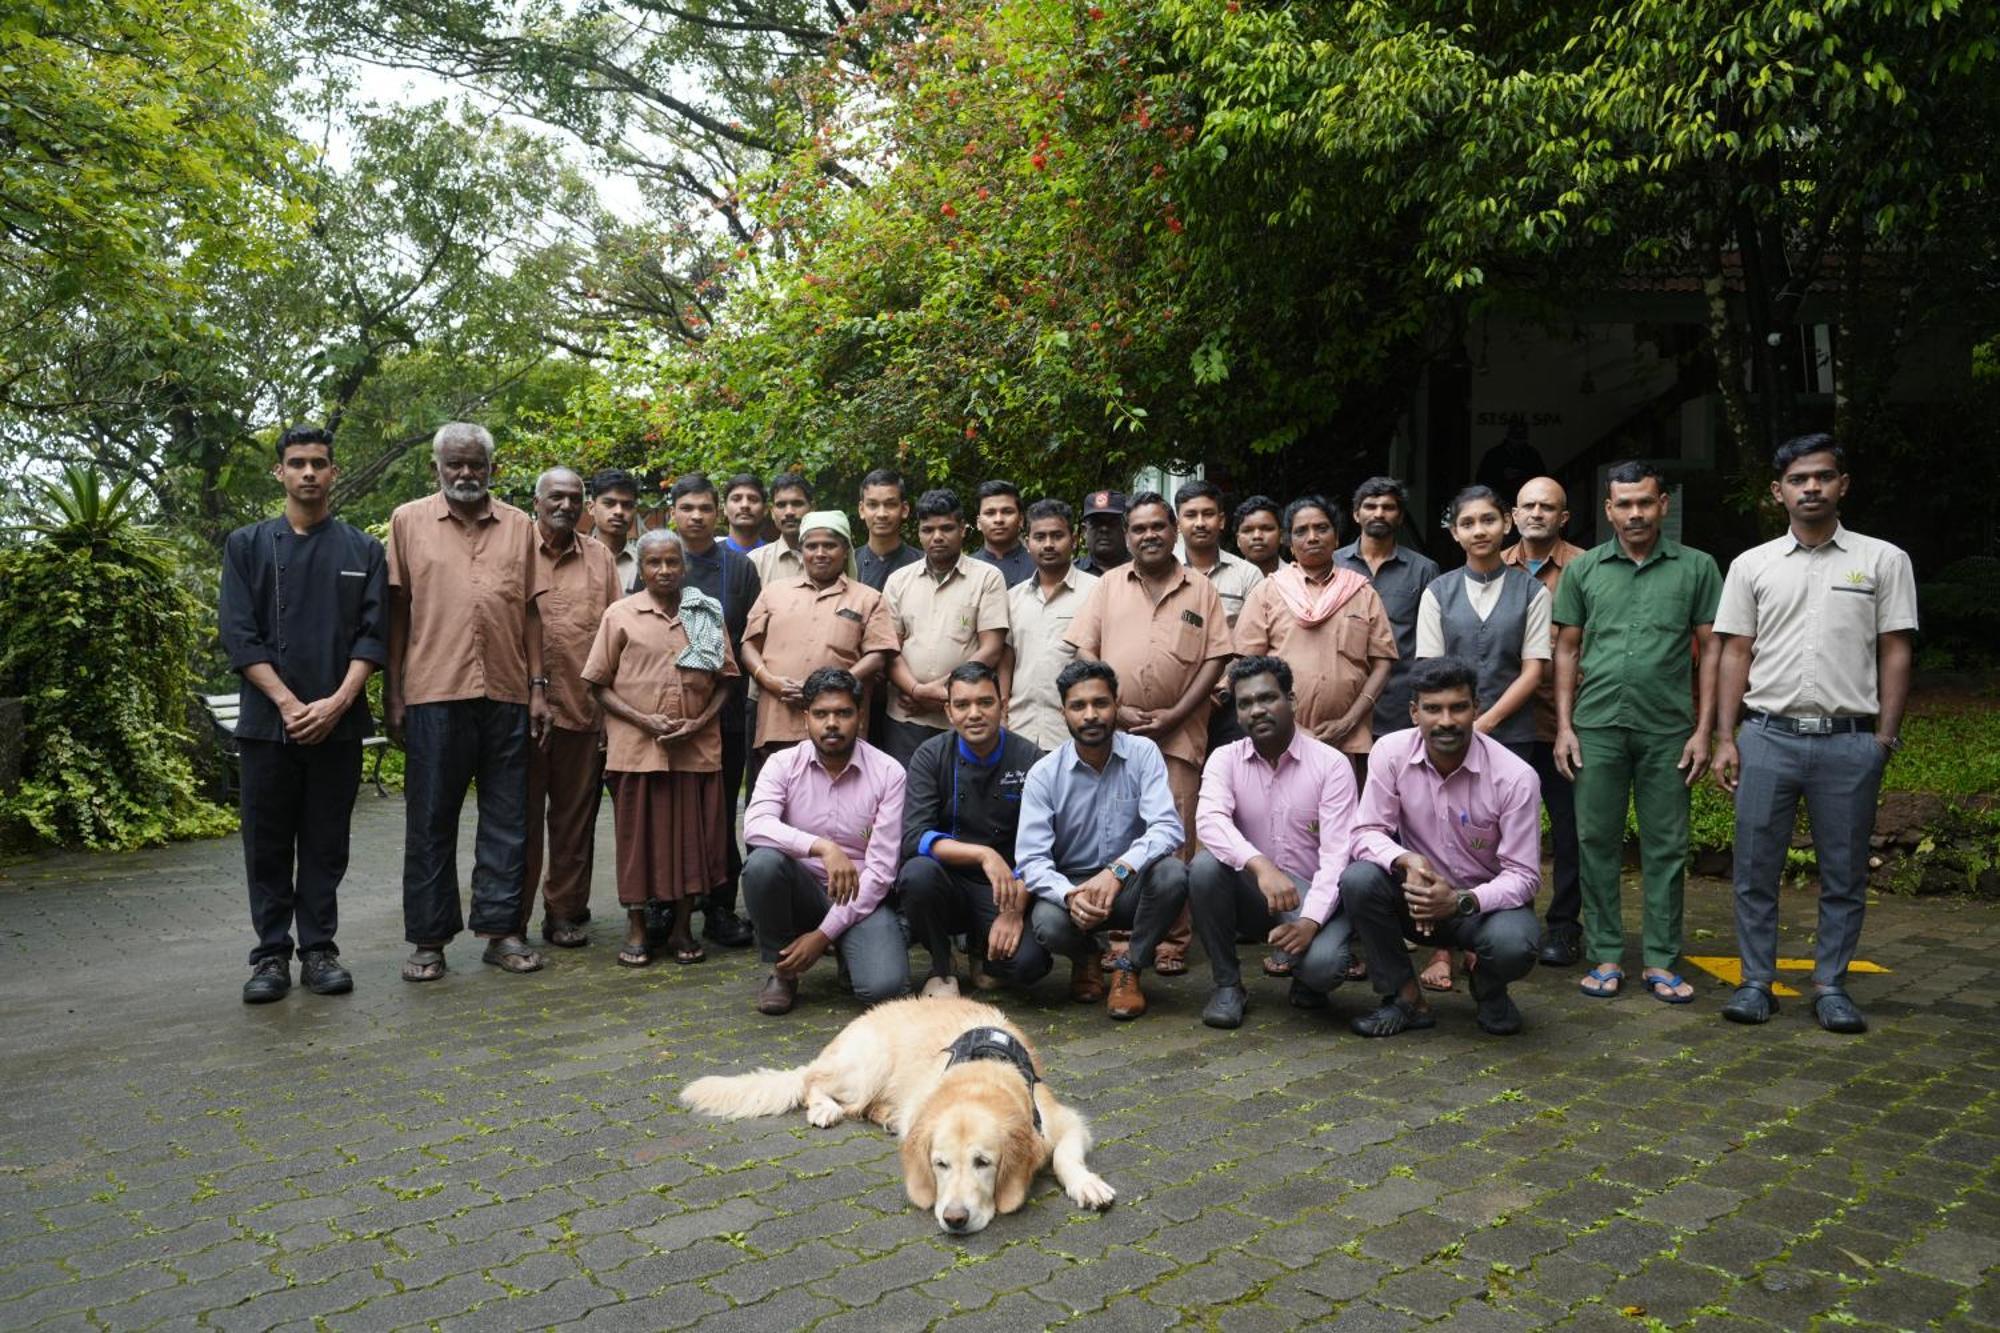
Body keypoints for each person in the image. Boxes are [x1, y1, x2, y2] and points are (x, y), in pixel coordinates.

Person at [1712, 435, 1917, 1034]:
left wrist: (1883, 738)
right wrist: (1727, 737)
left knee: (1844, 871)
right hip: (1766, 736)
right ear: (1779, 492)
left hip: (1849, 741)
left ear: (1842, 485)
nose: (1811, 488)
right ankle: (1754, 983)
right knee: (1754, 867)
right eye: (1798, 480)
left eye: (1823, 477)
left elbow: (1896, 650)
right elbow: (1734, 654)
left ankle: (1831, 984)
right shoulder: (1751, 565)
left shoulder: (1884, 560)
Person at [219, 425, 387, 1003]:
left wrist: (338, 703)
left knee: (325, 843)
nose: (309, 473)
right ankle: (270, 955)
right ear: (281, 473)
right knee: (266, 843)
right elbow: (239, 637)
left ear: (333, 472)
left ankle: (319, 950)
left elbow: (373, 637)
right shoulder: (247, 545)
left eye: (319, 463)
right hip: (269, 726)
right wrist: (290, 704)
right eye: (298, 463)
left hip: (338, 725)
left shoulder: (362, 549)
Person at [385, 422, 549, 982]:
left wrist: (538, 688)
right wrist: (394, 690)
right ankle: (429, 940)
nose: (465, 474)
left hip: (506, 691)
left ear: (491, 467)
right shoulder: (408, 521)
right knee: (430, 821)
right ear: (437, 467)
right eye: (455, 464)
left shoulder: (519, 525)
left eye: (475, 464)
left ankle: (501, 932)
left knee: (507, 819)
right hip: (433, 691)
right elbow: (398, 611)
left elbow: (530, 610)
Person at [1554, 461, 1722, 1005]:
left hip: (1668, 728)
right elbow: (1567, 649)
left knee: (1667, 846)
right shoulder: (1585, 570)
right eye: (1623, 504)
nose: (1635, 514)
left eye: (1644, 503)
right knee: (1594, 840)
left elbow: (1713, 652)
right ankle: (1604, 953)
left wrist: (1707, 732)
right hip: (1596, 725)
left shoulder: (1697, 568)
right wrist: (1563, 726)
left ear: (1663, 505)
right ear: (1608, 511)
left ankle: (1661, 960)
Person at [1064, 490, 1231, 975]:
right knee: (1120, 830)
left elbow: (1217, 657)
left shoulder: (1200, 589)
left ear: (1174, 530)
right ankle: (1122, 933)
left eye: (1157, 526)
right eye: (1138, 529)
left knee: (1176, 834)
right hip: (1116, 736)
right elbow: (1084, 656)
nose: (1148, 535)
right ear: (1127, 535)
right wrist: (1114, 712)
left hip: (1180, 734)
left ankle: (1171, 940)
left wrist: (1179, 712)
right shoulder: (1108, 586)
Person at [1339, 657, 1543, 1037]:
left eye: (1458, 707)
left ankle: (1489, 984)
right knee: (1359, 880)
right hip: (1416, 901)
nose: (1446, 720)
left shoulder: (1515, 778)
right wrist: (1406, 859)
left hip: (1481, 908)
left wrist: (1460, 901)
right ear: (1414, 712)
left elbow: (1525, 877)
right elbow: (1365, 832)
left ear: (1476, 709)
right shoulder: (1391, 754)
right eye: (1433, 709)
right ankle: (1405, 999)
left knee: (1515, 943)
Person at [1411, 484, 1552, 992]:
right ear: (1454, 532)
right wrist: (1458, 722)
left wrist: (1485, 723)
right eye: (1468, 523)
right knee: (1439, 836)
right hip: (1444, 736)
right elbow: (1429, 669)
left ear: (1507, 525)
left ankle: (1486, 940)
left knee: (1495, 843)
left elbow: (1534, 670)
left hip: (1509, 736)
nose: (1479, 531)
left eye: (1489, 520)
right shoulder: (1438, 591)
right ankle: (1442, 948)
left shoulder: (1533, 591)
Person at [584, 529, 739, 967]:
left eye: (673, 562)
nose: (665, 570)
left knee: (694, 842)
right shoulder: (621, 615)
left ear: (684, 565)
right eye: (655, 563)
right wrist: (645, 721)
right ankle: (636, 927)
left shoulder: (705, 613)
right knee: (638, 844)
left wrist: (697, 724)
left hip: (696, 751)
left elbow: (726, 681)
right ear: (643, 567)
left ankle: (682, 928)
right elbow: (598, 684)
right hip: (637, 751)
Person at [1187, 656, 1360, 1028]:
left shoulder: (1331, 764)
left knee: (1324, 968)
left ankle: (1308, 979)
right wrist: (1260, 865)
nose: (1257, 710)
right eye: (1245, 703)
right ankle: (1228, 985)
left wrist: (1310, 922)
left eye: (1268, 698)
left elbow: (1337, 857)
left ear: (1291, 700)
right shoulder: (1225, 759)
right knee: (1203, 867)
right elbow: (1210, 820)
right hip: (1258, 890)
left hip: (1316, 894)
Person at [1015, 660, 1189, 1019]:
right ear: (1064, 712)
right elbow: (1031, 861)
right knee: (1047, 922)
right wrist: (1068, 894)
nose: (1091, 715)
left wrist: (1119, 870)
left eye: (1101, 703)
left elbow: (1168, 828)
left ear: (1117, 704)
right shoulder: (1043, 775)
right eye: (1079, 706)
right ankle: (1087, 957)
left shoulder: (1142, 754)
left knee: (1173, 875)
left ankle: (1130, 966)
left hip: (1129, 884)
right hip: (1075, 891)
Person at [741, 668, 910, 1014]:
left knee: (885, 989)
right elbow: (755, 825)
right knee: (762, 866)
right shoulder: (782, 764)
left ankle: (845, 949)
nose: (831, 723)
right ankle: (782, 970)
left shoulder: (889, 773)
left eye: (843, 713)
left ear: (860, 717)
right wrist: (822, 847)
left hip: (860, 897)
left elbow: (879, 873)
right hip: (800, 889)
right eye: (821, 714)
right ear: (806, 718)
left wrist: (822, 938)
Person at [518, 468, 625, 951]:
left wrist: (611, 712)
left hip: (583, 711)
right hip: (520, 711)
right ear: (536, 501)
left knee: (573, 823)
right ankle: (508, 922)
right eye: (555, 496)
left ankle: (562, 914)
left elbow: (617, 636)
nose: (565, 505)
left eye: (574, 498)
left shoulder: (600, 558)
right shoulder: (514, 550)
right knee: (517, 822)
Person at [897, 663, 1048, 997]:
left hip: (1006, 886)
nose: (974, 714)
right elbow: (914, 837)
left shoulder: (1031, 759)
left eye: (985, 702)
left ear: (1003, 704)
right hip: (947, 881)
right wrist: (983, 854)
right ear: (949, 712)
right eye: (962, 705)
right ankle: (941, 965)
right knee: (916, 874)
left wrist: (1015, 910)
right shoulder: (931, 756)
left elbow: (1045, 844)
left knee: (1028, 966)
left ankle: (983, 949)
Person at [1234, 495, 1397, 769]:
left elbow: (1382, 664)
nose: (1312, 537)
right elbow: (1247, 666)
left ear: (1336, 538)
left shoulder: (1361, 592)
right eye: (1301, 531)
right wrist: (1294, 727)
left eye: (1322, 529)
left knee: (1342, 810)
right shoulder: (1268, 591)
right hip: (1279, 737)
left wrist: (1348, 722)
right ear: (1289, 541)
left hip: (1347, 737)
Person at [668, 473, 762, 948]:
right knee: (672, 809)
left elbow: (748, 639)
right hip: (667, 709)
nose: (697, 516)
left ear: (717, 512)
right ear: (674, 512)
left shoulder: (739, 568)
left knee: (722, 808)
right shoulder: (661, 560)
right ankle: (668, 903)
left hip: (725, 708)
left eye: (706, 507)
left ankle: (720, 908)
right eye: (688, 507)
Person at [1501, 476, 1589, 966]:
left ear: (1564, 516)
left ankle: (1563, 926)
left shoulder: (1587, 567)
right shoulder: (1490, 562)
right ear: (1514, 515)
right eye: (1528, 506)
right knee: (1503, 829)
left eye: (1547, 506)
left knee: (1571, 830)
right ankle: (1505, 917)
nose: (1536, 513)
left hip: (1563, 722)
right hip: (1504, 722)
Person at [740, 510, 899, 755]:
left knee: (840, 790)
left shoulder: (868, 598)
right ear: (802, 552)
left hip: (840, 727)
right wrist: (770, 681)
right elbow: (749, 646)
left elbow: (877, 656)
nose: (820, 553)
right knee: (779, 790)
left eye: (830, 546)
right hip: (778, 719)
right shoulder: (773, 592)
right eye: (812, 546)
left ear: (845, 549)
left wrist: (829, 688)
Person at [882, 488, 1010, 763]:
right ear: (918, 532)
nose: (937, 537)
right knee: (910, 797)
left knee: (959, 798)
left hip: (963, 718)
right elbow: (890, 649)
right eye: (928, 529)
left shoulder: (987, 578)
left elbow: (991, 649)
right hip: (906, 716)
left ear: (963, 529)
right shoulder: (898, 581)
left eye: (946, 528)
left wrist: (941, 692)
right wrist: (916, 690)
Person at [1336, 477, 1439, 742]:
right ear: (1356, 514)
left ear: (1401, 516)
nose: (1379, 513)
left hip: (1399, 701)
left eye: (1388, 507)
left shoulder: (1424, 569)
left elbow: (1430, 641)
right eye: (1370, 506)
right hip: (1342, 697)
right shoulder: (1333, 563)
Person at [1002, 499, 1100, 753]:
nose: (1048, 544)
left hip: (1075, 732)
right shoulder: (1012, 598)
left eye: (1057, 536)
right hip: (1020, 729)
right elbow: (1007, 659)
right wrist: (1002, 714)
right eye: (1040, 537)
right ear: (1027, 542)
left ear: (1074, 538)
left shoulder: (1098, 592)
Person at [1175, 480, 1264, 628]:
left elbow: (1253, 636)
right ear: (1178, 524)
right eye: (1191, 515)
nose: (1200, 523)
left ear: (1221, 521)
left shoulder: (1248, 575)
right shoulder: (1162, 571)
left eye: (1208, 514)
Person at [855, 467, 921, 591]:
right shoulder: (848, 565)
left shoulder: (923, 565)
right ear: (862, 510)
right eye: (873, 505)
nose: (881, 514)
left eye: (890, 504)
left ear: (904, 509)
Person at [749, 471, 812, 589]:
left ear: (812, 508)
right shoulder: (755, 562)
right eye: (781, 505)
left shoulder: (831, 558)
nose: (789, 512)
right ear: (772, 512)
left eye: (797, 503)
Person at [587, 468, 644, 593]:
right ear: (591, 507)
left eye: (627, 505)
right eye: (609, 503)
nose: (619, 511)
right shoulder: (574, 560)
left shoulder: (644, 563)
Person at [973, 479, 1035, 586]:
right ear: (978, 523)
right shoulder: (965, 569)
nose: (999, 519)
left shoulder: (1040, 567)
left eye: (1007, 512)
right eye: (990, 513)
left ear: (1021, 520)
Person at [1073, 490, 1130, 575]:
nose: (1104, 529)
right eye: (1096, 522)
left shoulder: (1143, 571)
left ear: (1126, 528)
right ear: (1085, 531)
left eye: (1112, 522)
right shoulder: (1071, 573)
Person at [1233, 495, 1286, 577]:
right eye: (1247, 530)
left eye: (1267, 529)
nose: (1257, 536)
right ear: (1238, 540)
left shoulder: (1298, 579)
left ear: (1281, 536)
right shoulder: (1226, 580)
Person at [722, 472, 767, 555]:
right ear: (725, 508)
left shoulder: (776, 557)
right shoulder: (708, 558)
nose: (745, 505)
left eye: (753, 499)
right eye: (736, 499)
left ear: (765, 509)